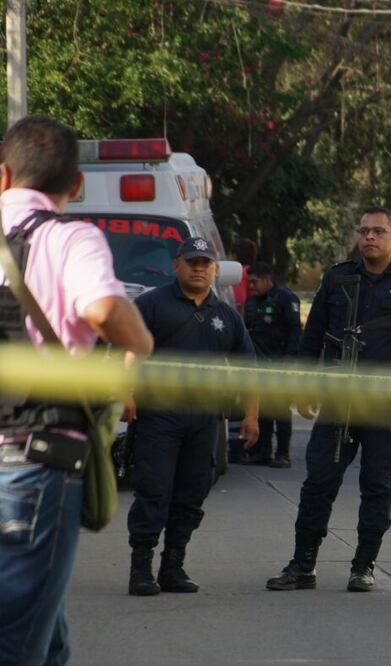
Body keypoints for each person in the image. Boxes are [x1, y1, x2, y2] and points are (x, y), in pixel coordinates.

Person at [0, 116, 153, 664]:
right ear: (77, 185)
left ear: (2, 176)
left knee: (45, 626)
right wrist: (138, 342)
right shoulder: (69, 238)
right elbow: (105, 308)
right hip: (34, 465)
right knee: (18, 641)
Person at [266, 205, 391, 593]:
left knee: (377, 487)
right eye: (363, 231)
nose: (369, 237)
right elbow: (313, 338)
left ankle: (364, 565)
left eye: (378, 231)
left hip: (385, 406)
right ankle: (303, 565)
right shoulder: (338, 279)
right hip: (338, 402)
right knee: (318, 484)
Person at [126, 236, 259, 596]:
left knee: (191, 493)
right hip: (159, 415)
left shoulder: (226, 316)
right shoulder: (151, 304)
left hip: (205, 419)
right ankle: (141, 569)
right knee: (153, 491)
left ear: (215, 270)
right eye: (192, 262)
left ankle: (173, 566)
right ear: (177, 266)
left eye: (205, 263)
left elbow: (249, 368)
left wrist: (251, 416)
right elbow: (127, 352)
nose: (199, 268)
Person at [242, 261, 302, 468]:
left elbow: (295, 330)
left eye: (255, 282)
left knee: (280, 410)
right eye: (249, 282)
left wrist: (291, 359)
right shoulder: (252, 302)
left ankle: (282, 453)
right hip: (258, 364)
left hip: (279, 363)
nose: (251, 286)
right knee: (262, 410)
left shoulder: (285, 298)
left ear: (267, 279)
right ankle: (262, 452)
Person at [229, 237, 257, 311]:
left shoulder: (240, 273)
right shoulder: (252, 271)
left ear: (234, 255)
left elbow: (238, 302)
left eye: (230, 255)